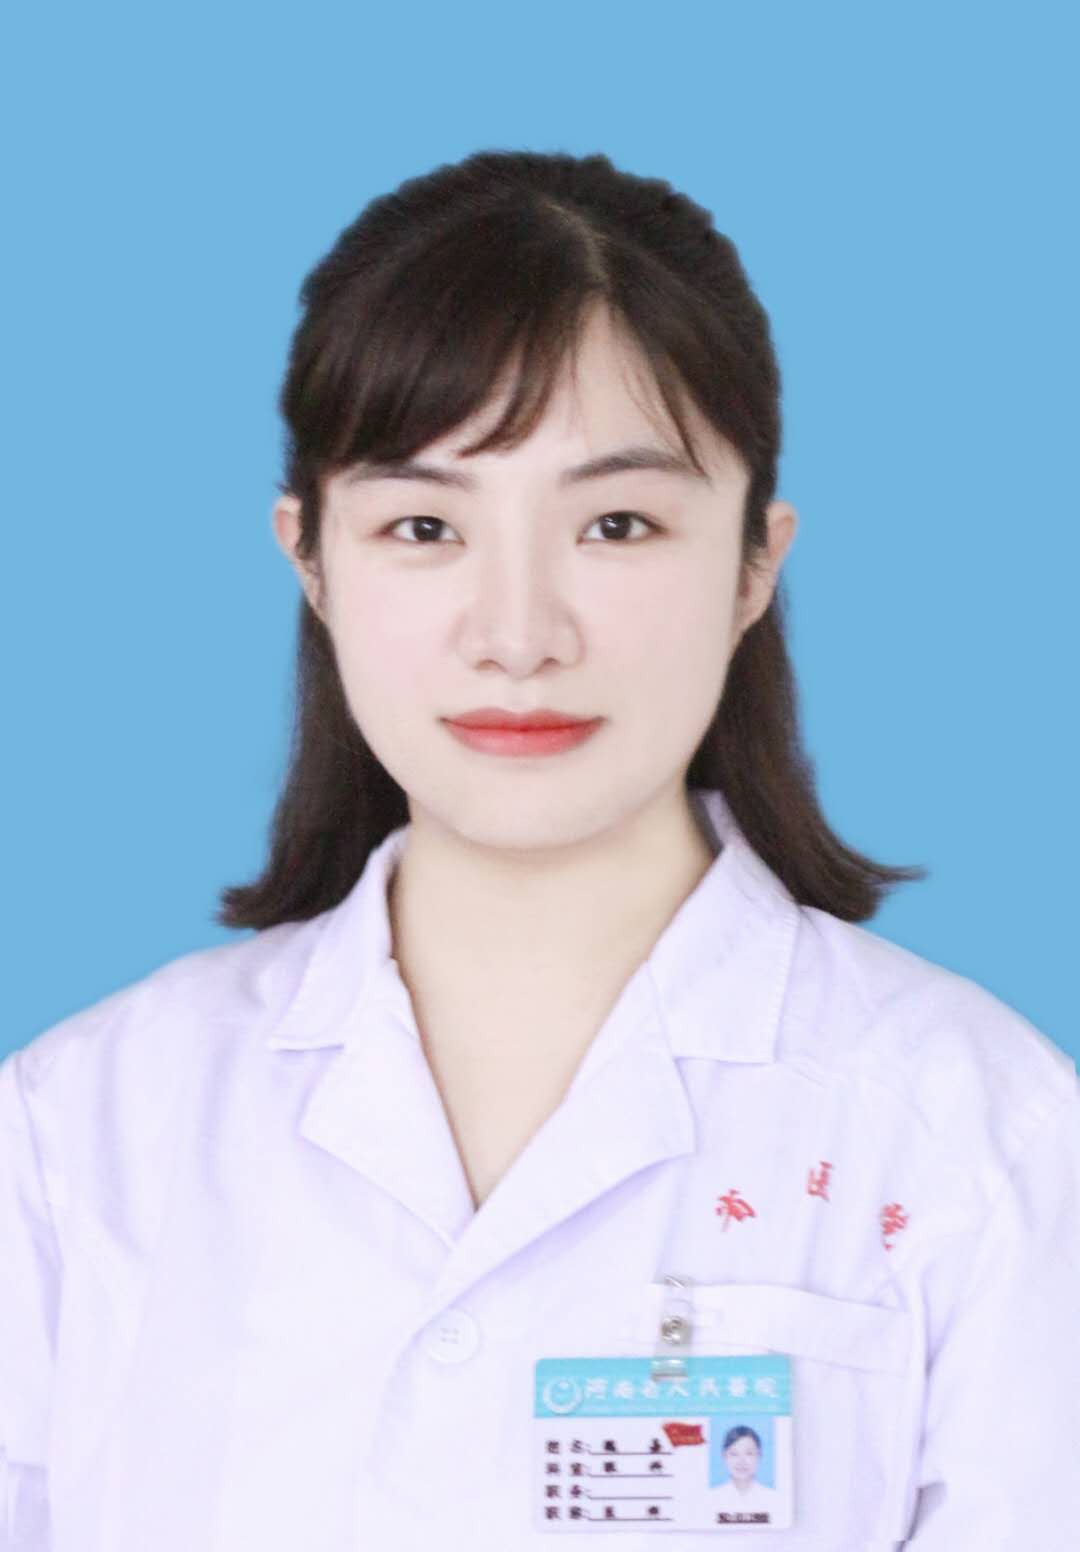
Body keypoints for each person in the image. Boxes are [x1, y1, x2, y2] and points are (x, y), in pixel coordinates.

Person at [2, 148, 1078, 1551]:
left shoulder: (979, 1132)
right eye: (423, 526)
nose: (518, 634)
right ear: (309, 558)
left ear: (756, 560)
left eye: (617, 524)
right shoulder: (81, 1132)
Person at [711, 1425, 782, 1515]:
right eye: (734, 1454)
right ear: (724, 1456)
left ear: (759, 1455)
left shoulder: (774, 1499)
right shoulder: (712, 1498)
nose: (741, 1461)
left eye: (749, 1453)